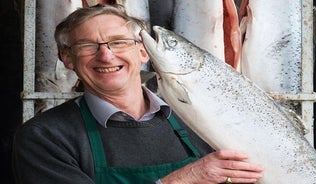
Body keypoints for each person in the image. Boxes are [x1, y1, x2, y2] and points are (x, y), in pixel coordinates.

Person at [12, 3, 263, 184]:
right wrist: (187, 178)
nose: (106, 55)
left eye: (119, 42)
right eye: (88, 45)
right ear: (67, 58)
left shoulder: (198, 118)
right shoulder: (44, 137)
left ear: (144, 52)